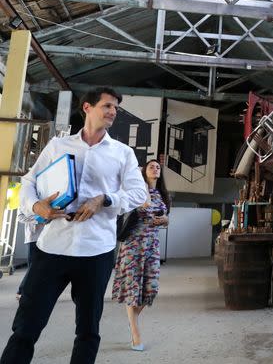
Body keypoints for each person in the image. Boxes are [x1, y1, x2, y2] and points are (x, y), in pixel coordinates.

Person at [1, 87, 148, 364]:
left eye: (115, 107)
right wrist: (36, 206)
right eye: (107, 106)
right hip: (52, 248)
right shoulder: (58, 145)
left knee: (88, 331)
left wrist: (104, 199)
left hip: (96, 252)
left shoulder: (122, 153)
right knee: (26, 326)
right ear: (87, 108)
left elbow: (139, 194)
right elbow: (29, 182)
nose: (113, 112)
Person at [111, 159, 170, 351]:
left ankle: (132, 319)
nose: (155, 169)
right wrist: (141, 181)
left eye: (158, 167)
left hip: (152, 245)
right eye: (151, 166)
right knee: (133, 289)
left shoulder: (162, 194)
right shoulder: (138, 190)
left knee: (151, 289)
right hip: (134, 245)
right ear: (144, 171)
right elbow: (145, 204)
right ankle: (136, 334)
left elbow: (165, 218)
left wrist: (165, 219)